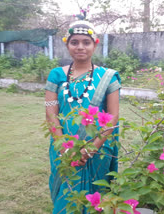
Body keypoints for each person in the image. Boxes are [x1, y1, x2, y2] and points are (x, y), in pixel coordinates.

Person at [44, 20, 121, 214]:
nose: (80, 47)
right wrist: (63, 146)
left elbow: (113, 116)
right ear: (67, 44)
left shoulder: (108, 77)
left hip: (98, 146)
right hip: (65, 148)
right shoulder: (56, 75)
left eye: (86, 42)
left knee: (97, 197)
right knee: (66, 197)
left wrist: (91, 149)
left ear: (95, 44)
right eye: (74, 42)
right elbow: (50, 112)